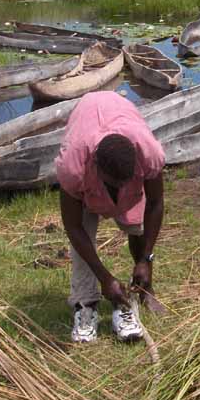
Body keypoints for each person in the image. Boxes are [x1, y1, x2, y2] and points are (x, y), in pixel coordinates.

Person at [55, 90, 166, 343]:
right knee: (84, 238)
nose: (119, 188)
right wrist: (105, 278)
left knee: (137, 225)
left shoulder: (148, 153)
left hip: (119, 110)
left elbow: (155, 203)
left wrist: (146, 259)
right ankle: (86, 304)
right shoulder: (73, 166)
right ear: (96, 167)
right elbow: (73, 226)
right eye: (113, 184)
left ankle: (145, 288)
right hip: (86, 118)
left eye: (125, 182)